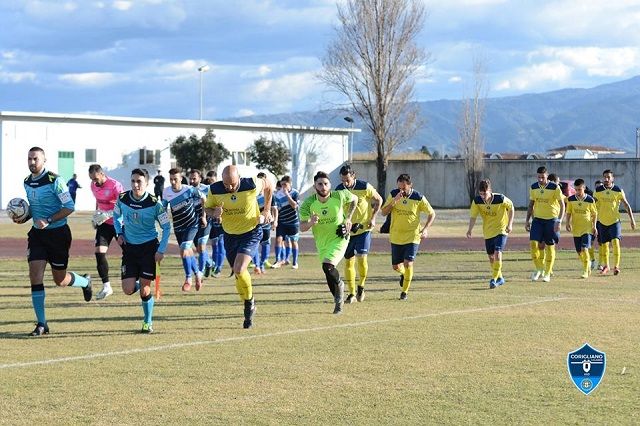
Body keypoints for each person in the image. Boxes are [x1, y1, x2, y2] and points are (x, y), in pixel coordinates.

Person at [15, 147, 92, 336]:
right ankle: (42, 324)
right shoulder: (26, 181)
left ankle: (84, 282)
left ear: (44, 160)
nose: (32, 162)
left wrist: (49, 220)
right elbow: (34, 208)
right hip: (37, 235)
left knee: (60, 280)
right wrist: (23, 216)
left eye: (35, 159)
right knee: (35, 275)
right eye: (29, 159)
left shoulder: (55, 180)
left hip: (58, 235)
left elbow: (69, 207)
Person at [205, 165, 273, 328]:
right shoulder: (214, 189)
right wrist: (214, 213)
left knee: (239, 268)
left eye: (233, 184)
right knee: (238, 274)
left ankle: (249, 304)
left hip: (251, 231)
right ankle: (249, 301)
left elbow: (269, 185)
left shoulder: (251, 184)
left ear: (239, 178)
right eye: (226, 184)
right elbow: (207, 208)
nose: (229, 188)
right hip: (230, 235)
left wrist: (266, 210)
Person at [113, 168, 171, 333]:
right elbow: (116, 216)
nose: (135, 185)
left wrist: (161, 250)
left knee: (145, 291)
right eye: (133, 181)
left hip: (148, 248)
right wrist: (119, 233)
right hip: (130, 249)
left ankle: (147, 322)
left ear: (146, 183)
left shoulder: (155, 204)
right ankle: (139, 282)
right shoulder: (122, 198)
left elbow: (166, 227)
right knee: (127, 289)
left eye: (139, 181)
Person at [299, 171, 358, 314]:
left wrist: (348, 218)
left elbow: (355, 199)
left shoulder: (339, 195)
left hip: (339, 237)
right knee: (327, 270)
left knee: (328, 265)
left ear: (330, 185)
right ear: (315, 186)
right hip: (322, 242)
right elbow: (302, 227)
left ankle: (340, 287)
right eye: (320, 184)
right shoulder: (308, 203)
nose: (323, 187)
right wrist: (311, 223)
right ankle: (338, 299)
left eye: (326, 184)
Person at [380, 174, 436, 300]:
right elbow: (383, 212)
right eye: (399, 188)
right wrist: (394, 201)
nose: (401, 191)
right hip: (396, 236)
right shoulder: (393, 194)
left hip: (412, 236)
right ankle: (404, 275)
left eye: (404, 188)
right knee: (396, 267)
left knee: (408, 263)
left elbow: (432, 213)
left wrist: (425, 229)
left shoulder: (418, 197)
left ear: (410, 185)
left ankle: (404, 292)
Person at [335, 163, 382, 302]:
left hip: (364, 229)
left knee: (361, 258)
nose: (345, 183)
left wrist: (373, 218)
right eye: (343, 180)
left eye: (347, 180)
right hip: (348, 232)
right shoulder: (339, 190)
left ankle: (361, 286)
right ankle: (351, 293)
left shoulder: (364, 186)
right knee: (348, 262)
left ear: (353, 176)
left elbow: (379, 200)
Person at [162, 167, 205, 291]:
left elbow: (204, 198)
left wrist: (203, 216)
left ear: (181, 178)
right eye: (171, 179)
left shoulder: (189, 189)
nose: (173, 182)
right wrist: (163, 221)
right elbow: (163, 208)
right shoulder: (166, 192)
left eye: (175, 179)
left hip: (192, 225)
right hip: (178, 227)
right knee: (187, 252)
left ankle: (188, 279)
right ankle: (197, 274)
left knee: (184, 249)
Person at [466, 179, 514, 289]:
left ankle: (494, 279)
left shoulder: (500, 198)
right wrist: (470, 229)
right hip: (488, 232)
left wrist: (510, 224)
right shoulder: (477, 201)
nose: (483, 196)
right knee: (491, 257)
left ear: (490, 191)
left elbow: (511, 207)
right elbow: (473, 216)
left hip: (501, 230)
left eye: (485, 194)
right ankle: (500, 278)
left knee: (497, 252)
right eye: (481, 194)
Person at [88, 163, 125, 300]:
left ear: (102, 174)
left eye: (96, 179)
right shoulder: (93, 185)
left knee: (129, 251)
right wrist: (96, 216)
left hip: (119, 223)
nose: (94, 182)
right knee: (99, 252)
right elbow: (98, 202)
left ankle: (135, 278)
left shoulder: (115, 186)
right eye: (92, 179)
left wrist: (109, 214)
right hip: (104, 224)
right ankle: (107, 287)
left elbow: (123, 205)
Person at [524, 166, 565, 282]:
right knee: (533, 244)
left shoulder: (555, 187)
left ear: (547, 176)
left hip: (551, 220)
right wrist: (527, 220)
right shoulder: (533, 187)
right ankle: (539, 268)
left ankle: (547, 273)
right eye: (538, 177)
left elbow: (562, 205)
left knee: (550, 245)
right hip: (537, 220)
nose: (540, 179)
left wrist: (559, 221)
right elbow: (531, 205)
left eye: (543, 177)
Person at [594, 169, 636, 275]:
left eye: (608, 177)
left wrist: (632, 220)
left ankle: (616, 266)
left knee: (616, 242)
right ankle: (606, 266)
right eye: (605, 177)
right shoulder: (598, 191)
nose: (606, 179)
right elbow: (592, 207)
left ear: (613, 178)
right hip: (602, 222)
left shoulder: (618, 190)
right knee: (604, 245)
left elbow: (626, 205)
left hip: (614, 221)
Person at [565, 179, 598, 279]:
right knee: (579, 251)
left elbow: (594, 214)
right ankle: (587, 265)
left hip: (587, 228)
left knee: (584, 248)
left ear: (584, 188)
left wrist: (594, 226)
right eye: (576, 189)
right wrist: (567, 223)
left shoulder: (590, 200)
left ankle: (585, 271)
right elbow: (568, 212)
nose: (577, 191)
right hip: (576, 229)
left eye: (579, 189)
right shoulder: (571, 199)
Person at [271, 176, 300, 269]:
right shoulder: (277, 195)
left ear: (290, 184)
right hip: (282, 222)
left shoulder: (295, 193)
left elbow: (294, 206)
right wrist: (274, 220)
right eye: (282, 184)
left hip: (293, 222)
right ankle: (278, 261)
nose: (283, 186)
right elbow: (277, 209)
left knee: (293, 241)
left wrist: (287, 194)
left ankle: (295, 262)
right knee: (278, 240)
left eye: (285, 184)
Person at [253, 172, 278, 274]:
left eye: (263, 180)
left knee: (266, 244)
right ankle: (257, 265)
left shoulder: (270, 194)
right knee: (254, 244)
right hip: (254, 224)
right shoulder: (252, 194)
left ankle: (262, 264)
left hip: (266, 224)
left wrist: (275, 221)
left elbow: (274, 209)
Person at [189, 169, 213, 281]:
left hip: (206, 221)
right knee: (198, 249)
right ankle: (209, 262)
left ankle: (200, 273)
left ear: (200, 178)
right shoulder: (187, 190)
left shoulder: (207, 189)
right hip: (193, 222)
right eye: (190, 178)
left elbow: (216, 201)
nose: (192, 181)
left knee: (202, 246)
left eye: (194, 178)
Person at [205, 170, 225, 278]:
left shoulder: (221, 190)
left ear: (216, 179)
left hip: (221, 221)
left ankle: (219, 268)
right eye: (209, 181)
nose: (210, 183)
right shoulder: (207, 190)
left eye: (212, 180)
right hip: (211, 221)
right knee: (214, 245)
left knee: (221, 243)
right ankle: (214, 264)